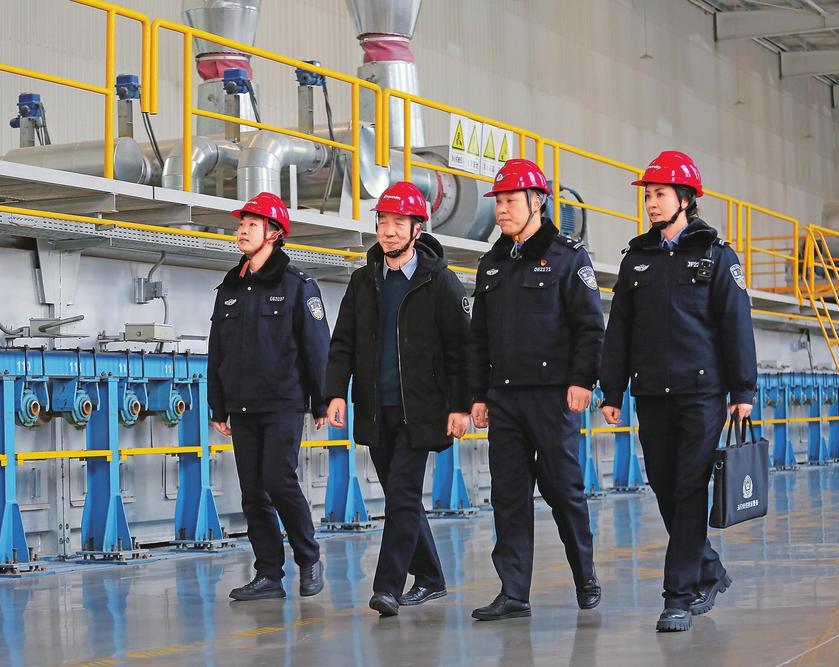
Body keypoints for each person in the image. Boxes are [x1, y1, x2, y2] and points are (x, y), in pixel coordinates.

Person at [599, 150, 757, 632]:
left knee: (689, 487)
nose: (651, 203)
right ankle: (708, 569)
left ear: (685, 199)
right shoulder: (636, 259)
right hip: (651, 394)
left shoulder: (716, 255)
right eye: (648, 195)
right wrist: (612, 391)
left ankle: (678, 596)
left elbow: (736, 325)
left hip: (702, 393)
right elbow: (619, 330)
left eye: (660, 194)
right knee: (663, 484)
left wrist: (742, 389)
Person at [324, 181, 471, 617]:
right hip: (375, 408)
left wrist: (460, 406)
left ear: (417, 229)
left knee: (402, 496)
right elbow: (342, 343)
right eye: (383, 222)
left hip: (420, 411)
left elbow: (461, 350)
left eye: (398, 223)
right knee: (400, 497)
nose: (388, 231)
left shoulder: (440, 283)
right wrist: (335, 392)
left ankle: (387, 586)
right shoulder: (362, 282)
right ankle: (431, 577)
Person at [468, 159, 604, 621]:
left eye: (510, 201)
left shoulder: (568, 257)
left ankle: (585, 576)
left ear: (537, 202)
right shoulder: (492, 264)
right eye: (499, 202)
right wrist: (478, 395)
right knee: (508, 496)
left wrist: (582, 380)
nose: (502, 210)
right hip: (504, 399)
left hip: (552, 396)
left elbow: (590, 327)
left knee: (563, 491)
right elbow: (478, 339)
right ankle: (513, 592)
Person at [207, 192, 330, 601]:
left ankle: (309, 558)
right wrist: (217, 405)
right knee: (253, 493)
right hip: (242, 405)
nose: (242, 231)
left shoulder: (297, 286)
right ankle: (268, 575)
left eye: (252, 225)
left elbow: (317, 347)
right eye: (241, 224)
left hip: (283, 402)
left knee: (279, 481)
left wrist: (321, 399)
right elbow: (217, 350)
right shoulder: (229, 287)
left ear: (274, 233)